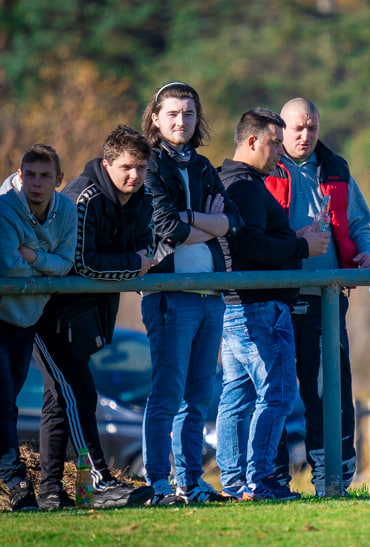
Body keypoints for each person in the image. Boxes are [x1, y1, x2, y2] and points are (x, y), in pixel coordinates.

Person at [32, 126, 157, 510]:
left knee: (61, 401)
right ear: (107, 164)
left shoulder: (142, 197)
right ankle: (99, 482)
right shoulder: (83, 198)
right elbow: (82, 264)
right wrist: (133, 265)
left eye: (140, 168)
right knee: (79, 394)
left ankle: (52, 490)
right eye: (126, 167)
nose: (134, 176)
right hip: (45, 312)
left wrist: (136, 262)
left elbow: (149, 246)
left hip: (84, 316)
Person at [266, 98, 370, 497]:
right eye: (297, 128)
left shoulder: (335, 169)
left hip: (327, 299)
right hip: (273, 299)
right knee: (272, 391)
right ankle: (271, 478)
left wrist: (369, 253)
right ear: (281, 129)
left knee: (327, 390)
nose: (305, 135)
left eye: (311, 128)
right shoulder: (263, 167)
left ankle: (331, 477)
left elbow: (362, 224)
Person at [216, 107, 329, 501]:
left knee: (237, 395)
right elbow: (250, 246)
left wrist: (292, 237)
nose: (280, 150)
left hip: (236, 307)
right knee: (277, 394)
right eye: (274, 142)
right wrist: (301, 245)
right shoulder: (245, 186)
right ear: (251, 142)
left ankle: (233, 483)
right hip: (258, 306)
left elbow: (253, 239)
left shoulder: (229, 180)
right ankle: (261, 480)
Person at [141, 81, 243, 505]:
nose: (181, 121)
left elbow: (232, 221)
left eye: (188, 113)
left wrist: (194, 220)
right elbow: (166, 225)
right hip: (170, 294)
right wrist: (204, 222)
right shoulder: (148, 165)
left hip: (210, 296)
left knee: (198, 395)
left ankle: (191, 482)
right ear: (155, 118)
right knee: (166, 393)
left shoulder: (202, 166)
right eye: (172, 114)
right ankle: (158, 484)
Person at [0, 144, 75, 511]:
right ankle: (15, 482)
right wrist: (40, 262)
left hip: (27, 316)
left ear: (59, 180)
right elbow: (9, 265)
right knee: (2, 403)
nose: (36, 182)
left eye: (45, 175)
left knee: (10, 399)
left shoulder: (67, 212)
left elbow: (65, 266)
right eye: (30, 174)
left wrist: (31, 255)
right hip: (2, 313)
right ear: (19, 174)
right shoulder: (4, 207)